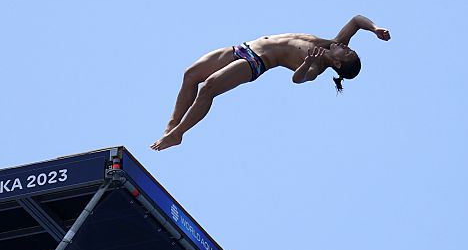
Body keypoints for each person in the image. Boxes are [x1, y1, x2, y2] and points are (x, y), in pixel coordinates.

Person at [150, 15, 390, 151]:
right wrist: (375, 28)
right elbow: (357, 20)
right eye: (348, 47)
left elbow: (297, 79)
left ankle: (178, 134)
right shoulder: (334, 42)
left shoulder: (317, 67)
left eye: (346, 53)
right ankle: (171, 125)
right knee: (191, 75)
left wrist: (306, 63)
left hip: (257, 61)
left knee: (209, 86)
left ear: (337, 65)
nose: (346, 46)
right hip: (244, 47)